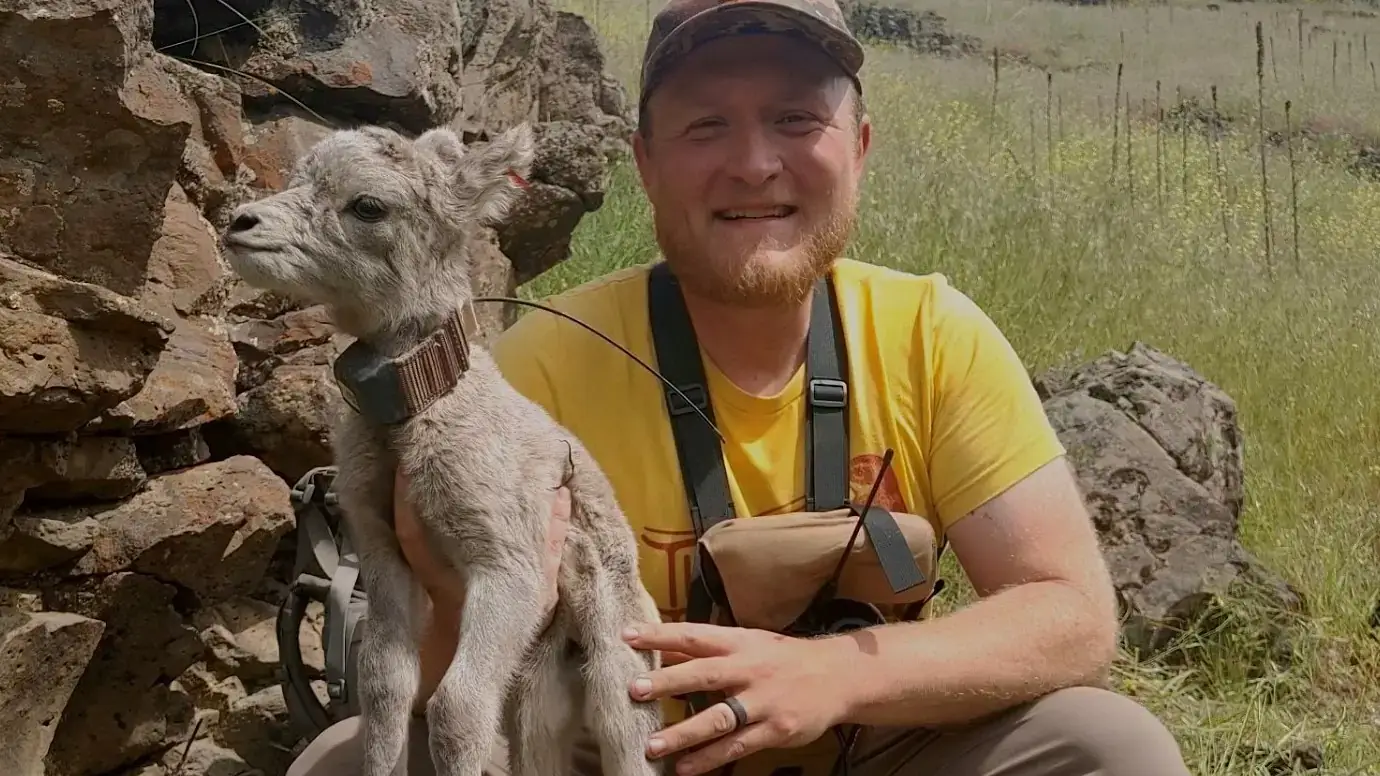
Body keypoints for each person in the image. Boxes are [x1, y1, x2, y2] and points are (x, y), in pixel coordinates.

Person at [287, 0, 1195, 774]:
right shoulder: (538, 369)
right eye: (706, 126)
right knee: (339, 763)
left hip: (868, 749)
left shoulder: (932, 335)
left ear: (861, 146)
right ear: (645, 163)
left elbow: (1071, 616)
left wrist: (839, 677)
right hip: (620, 753)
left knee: (1105, 746)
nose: (755, 164)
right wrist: (453, 589)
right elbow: (449, 668)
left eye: (797, 120)